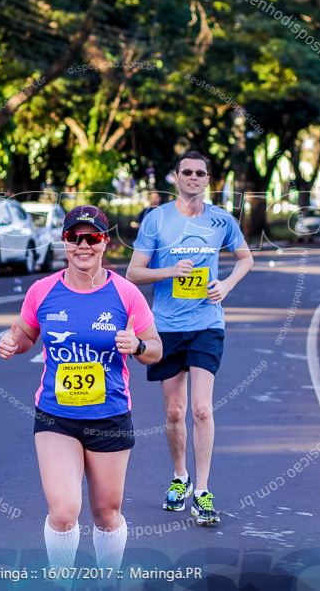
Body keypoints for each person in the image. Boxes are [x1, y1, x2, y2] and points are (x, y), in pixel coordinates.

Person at [0, 205, 162, 574]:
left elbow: (155, 349)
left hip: (109, 418)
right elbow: (25, 334)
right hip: (57, 415)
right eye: (74, 237)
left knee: (106, 514)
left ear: (105, 242)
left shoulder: (126, 294)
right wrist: (13, 343)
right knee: (64, 511)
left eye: (93, 237)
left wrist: (136, 346)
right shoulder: (43, 291)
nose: (83, 245)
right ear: (64, 241)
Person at [126, 152, 254, 526]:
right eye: (187, 172)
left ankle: (202, 491)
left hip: (207, 323)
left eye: (200, 173)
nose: (193, 178)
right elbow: (134, 273)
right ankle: (180, 477)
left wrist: (226, 284)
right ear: (176, 176)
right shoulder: (157, 219)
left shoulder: (221, 220)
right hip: (165, 326)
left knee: (201, 408)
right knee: (175, 411)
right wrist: (169, 270)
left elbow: (245, 258)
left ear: (208, 179)